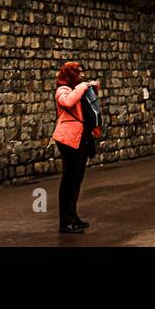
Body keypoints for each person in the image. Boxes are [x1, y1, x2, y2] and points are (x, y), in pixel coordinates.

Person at [53, 60, 98, 235]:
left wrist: (92, 88)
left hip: (81, 138)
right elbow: (68, 102)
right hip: (68, 139)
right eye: (77, 74)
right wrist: (82, 87)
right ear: (70, 75)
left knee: (77, 180)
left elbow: (88, 103)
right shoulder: (62, 90)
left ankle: (73, 216)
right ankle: (65, 221)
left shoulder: (76, 88)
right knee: (69, 181)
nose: (81, 76)